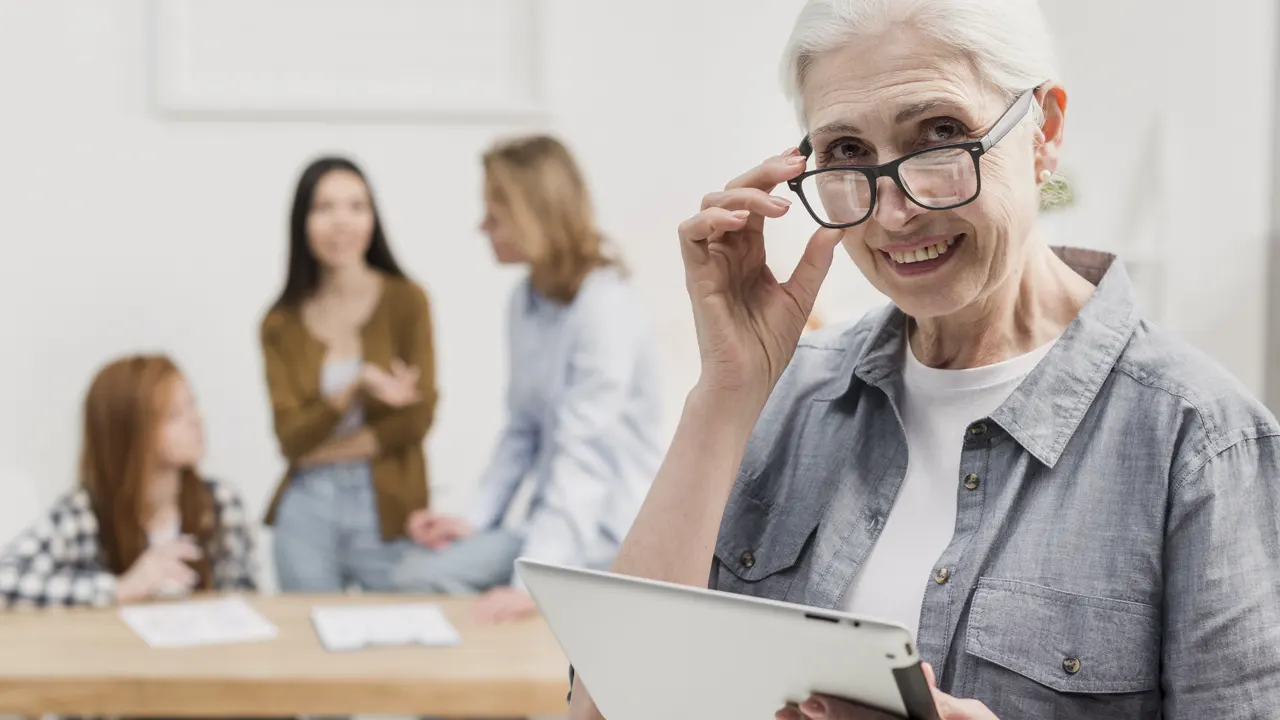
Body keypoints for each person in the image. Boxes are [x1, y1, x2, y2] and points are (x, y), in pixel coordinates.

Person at [568, 0, 1280, 718]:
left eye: (941, 135)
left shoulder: (1202, 444)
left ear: (1045, 132)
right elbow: (605, 709)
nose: (892, 214)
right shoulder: (787, 398)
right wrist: (725, 391)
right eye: (847, 153)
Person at [393, 135, 663, 623]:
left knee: (446, 594)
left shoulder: (605, 308)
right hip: (553, 523)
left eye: (494, 216)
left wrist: (530, 581)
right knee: (415, 575)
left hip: (609, 530)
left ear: (534, 215)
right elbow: (522, 428)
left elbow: (586, 457)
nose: (481, 227)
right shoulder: (526, 300)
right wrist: (473, 521)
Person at [261, 155, 437, 593]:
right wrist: (354, 387)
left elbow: (416, 419)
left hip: (388, 508)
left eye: (356, 206)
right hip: (306, 511)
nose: (342, 221)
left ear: (372, 218)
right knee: (308, 650)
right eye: (324, 208)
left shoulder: (406, 301)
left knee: (401, 645)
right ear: (303, 221)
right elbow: (290, 438)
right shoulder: (280, 323)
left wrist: (322, 452)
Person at [0, 355, 255, 607]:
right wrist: (119, 588)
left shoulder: (220, 503)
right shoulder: (86, 513)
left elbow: (248, 596)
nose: (197, 418)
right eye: (174, 414)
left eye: (192, 404)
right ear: (129, 432)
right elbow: (6, 579)